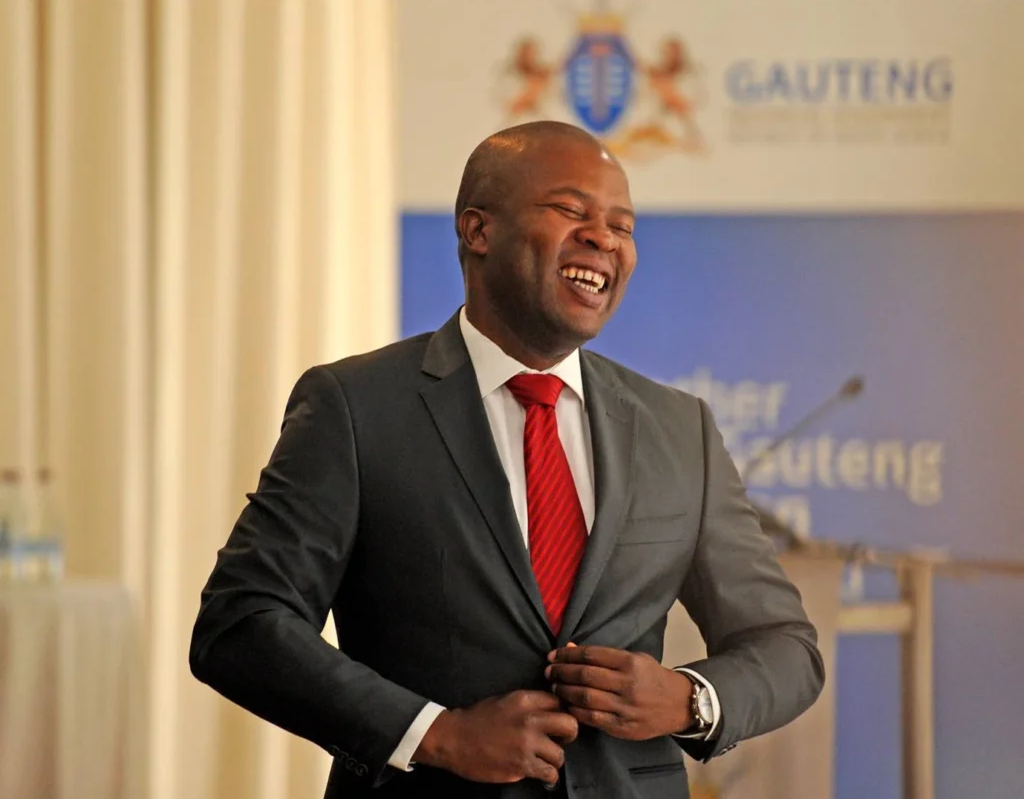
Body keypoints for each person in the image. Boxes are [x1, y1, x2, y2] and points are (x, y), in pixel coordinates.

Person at [190, 120, 824, 799]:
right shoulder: (356, 408)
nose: (604, 238)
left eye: (622, 225)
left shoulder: (678, 429)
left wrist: (688, 700)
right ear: (478, 230)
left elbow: (786, 646)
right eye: (571, 210)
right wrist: (438, 735)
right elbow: (242, 622)